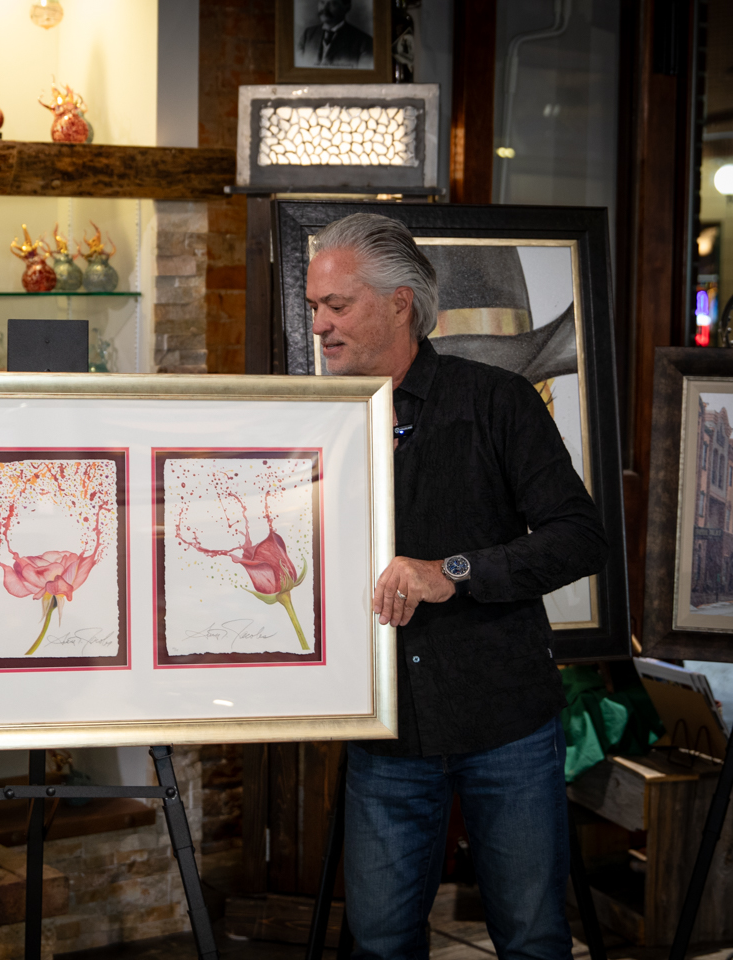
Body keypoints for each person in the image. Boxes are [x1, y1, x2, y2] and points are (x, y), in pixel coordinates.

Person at [305, 213, 608, 960]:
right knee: (378, 944)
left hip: (505, 722)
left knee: (533, 940)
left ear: (400, 302)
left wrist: (455, 574)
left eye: (337, 305)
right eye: (314, 307)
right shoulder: (319, 422)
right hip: (384, 733)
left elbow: (579, 537)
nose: (320, 325)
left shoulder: (500, 403)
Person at [298, 0, 374, 69]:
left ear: (347, 7)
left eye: (333, 3)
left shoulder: (364, 42)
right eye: (322, 2)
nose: (325, 8)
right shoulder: (307, 34)